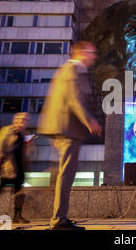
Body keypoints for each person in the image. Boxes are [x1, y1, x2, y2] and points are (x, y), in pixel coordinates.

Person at [38, 41, 102, 230]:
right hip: (69, 130)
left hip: (64, 130)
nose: (94, 57)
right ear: (82, 53)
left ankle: (58, 215)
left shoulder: (67, 70)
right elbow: (74, 99)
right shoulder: (73, 70)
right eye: (92, 53)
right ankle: (58, 219)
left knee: (62, 173)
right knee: (66, 174)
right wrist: (89, 120)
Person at [0, 112, 33, 225]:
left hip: (19, 168)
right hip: (8, 167)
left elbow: (27, 153)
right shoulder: (6, 130)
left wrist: (29, 144)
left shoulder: (25, 134)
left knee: (19, 193)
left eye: (26, 120)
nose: (24, 122)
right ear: (15, 120)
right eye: (21, 119)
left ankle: (17, 216)